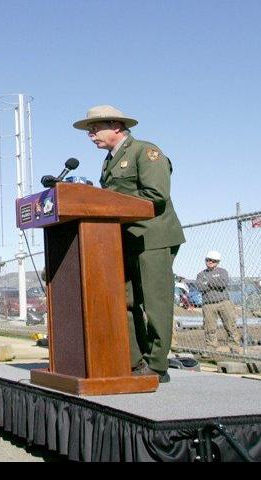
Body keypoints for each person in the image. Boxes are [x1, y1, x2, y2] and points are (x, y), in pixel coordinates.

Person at [73, 105, 185, 383]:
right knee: (126, 300)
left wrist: (110, 201)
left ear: (117, 125)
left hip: (153, 236)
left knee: (155, 303)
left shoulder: (145, 152)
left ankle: (157, 366)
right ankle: (134, 360)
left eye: (95, 129)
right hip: (123, 239)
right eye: (89, 130)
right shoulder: (110, 160)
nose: (91, 135)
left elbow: (155, 195)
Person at [196, 251, 240, 352]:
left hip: (224, 302)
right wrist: (214, 282)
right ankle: (211, 348)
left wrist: (208, 282)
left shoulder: (222, 272)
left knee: (230, 325)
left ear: (217, 262)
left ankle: (234, 347)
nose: (210, 262)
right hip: (208, 304)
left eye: (213, 261)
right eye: (208, 260)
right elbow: (200, 286)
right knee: (209, 328)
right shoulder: (201, 274)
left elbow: (223, 283)